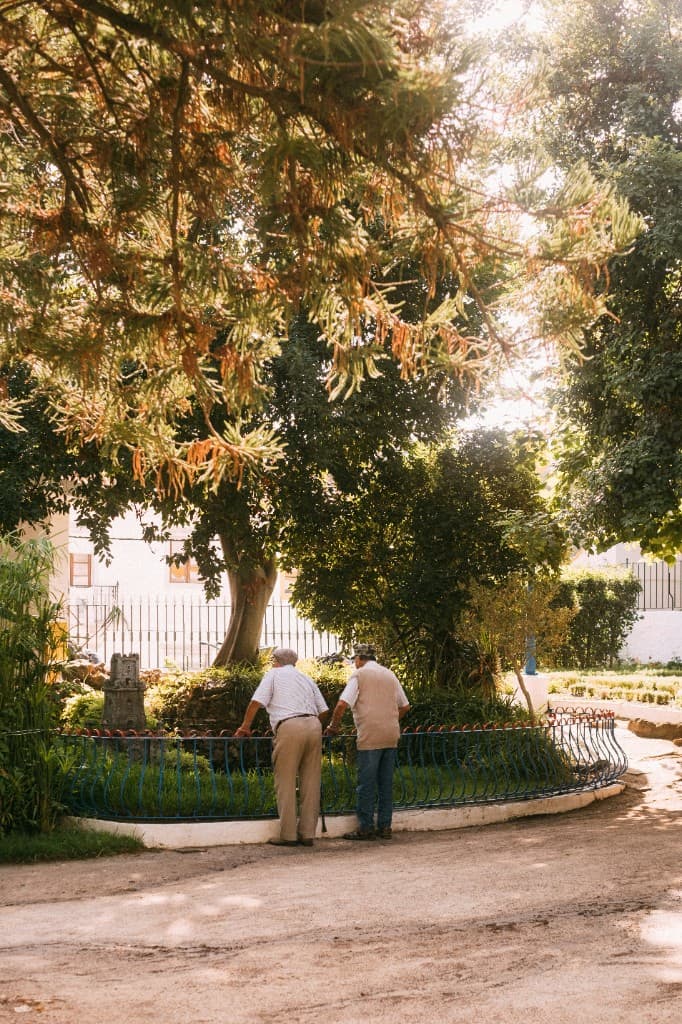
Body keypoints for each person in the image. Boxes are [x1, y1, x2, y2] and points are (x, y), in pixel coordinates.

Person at [234, 648, 328, 847]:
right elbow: (324, 709)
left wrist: (245, 727)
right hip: (314, 724)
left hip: (289, 725)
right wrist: (312, 725)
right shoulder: (306, 678)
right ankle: (307, 834)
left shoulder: (274, 674)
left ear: (276, 661)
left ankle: (288, 835)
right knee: (310, 782)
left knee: (285, 780)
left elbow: (256, 702)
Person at [325, 643, 410, 840]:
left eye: (355, 659)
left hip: (370, 734)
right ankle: (385, 827)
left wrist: (334, 726)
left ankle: (365, 827)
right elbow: (405, 706)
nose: (354, 663)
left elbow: (341, 704)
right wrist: (388, 720)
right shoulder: (389, 674)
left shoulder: (359, 675)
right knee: (385, 783)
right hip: (390, 734)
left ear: (360, 659)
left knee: (367, 783)